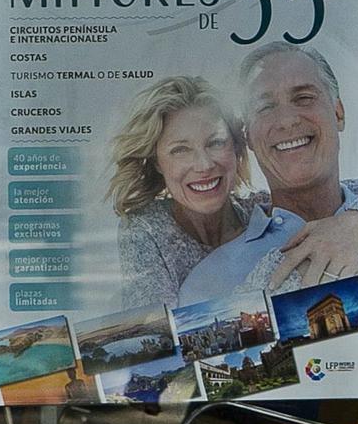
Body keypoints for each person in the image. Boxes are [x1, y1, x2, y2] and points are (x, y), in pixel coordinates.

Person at [177, 42, 358, 305]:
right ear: (247, 136)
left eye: (303, 98)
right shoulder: (207, 283)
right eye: (265, 107)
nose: (287, 120)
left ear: (338, 113)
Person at [107, 76, 256, 310]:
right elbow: (158, 335)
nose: (204, 165)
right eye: (180, 150)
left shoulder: (263, 210)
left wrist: (337, 228)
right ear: (157, 162)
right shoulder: (146, 229)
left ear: (236, 147)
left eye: (215, 142)